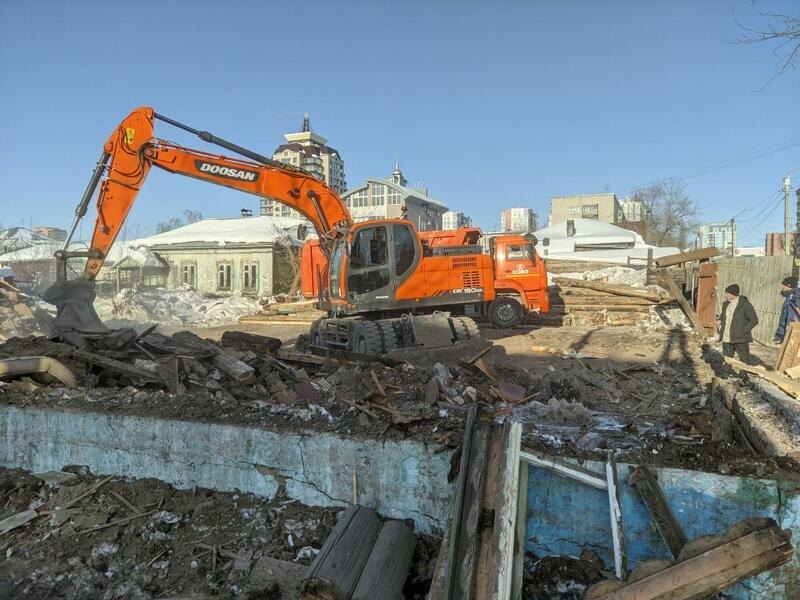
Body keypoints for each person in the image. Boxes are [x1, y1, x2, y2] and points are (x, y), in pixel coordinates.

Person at [718, 284, 758, 364]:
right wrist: (720, 320)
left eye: (727, 293)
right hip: (726, 337)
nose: (725, 295)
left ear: (733, 294)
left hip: (740, 338)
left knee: (744, 359)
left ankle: (744, 375)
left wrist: (743, 330)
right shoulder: (725, 304)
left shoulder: (744, 305)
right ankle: (728, 374)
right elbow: (723, 317)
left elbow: (754, 320)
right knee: (727, 359)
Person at [773, 276, 800, 344]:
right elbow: (785, 317)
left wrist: (795, 326)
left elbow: (797, 310)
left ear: (789, 286)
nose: (782, 287)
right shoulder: (790, 296)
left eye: (784, 285)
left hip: (793, 330)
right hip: (788, 330)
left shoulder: (795, 296)